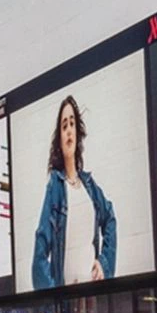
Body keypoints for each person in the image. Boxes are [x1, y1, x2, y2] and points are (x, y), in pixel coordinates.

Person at [32, 95, 118, 289]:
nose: (69, 130)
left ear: (77, 133)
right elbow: (40, 251)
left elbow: (110, 218)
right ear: (60, 139)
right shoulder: (55, 186)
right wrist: (53, 297)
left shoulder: (89, 186)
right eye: (64, 126)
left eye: (72, 124)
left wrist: (104, 264)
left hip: (94, 297)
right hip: (67, 305)